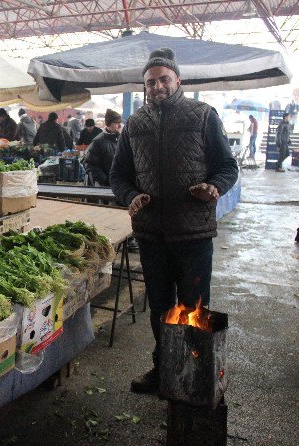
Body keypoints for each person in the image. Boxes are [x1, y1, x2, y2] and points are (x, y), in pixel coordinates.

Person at [110, 48, 238, 394]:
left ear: (178, 80)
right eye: (150, 82)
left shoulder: (203, 116)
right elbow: (118, 176)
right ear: (144, 87)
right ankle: (164, 369)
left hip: (193, 234)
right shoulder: (135, 125)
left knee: (194, 307)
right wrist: (129, 196)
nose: (157, 86)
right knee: (161, 309)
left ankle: (194, 373)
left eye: (163, 79)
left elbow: (228, 167)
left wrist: (214, 187)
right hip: (151, 235)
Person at [83, 110, 122, 186]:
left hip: (120, 184)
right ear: (109, 124)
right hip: (105, 186)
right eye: (116, 123)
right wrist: (104, 180)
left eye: (120, 123)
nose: (119, 126)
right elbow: (89, 164)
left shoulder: (122, 139)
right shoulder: (98, 141)